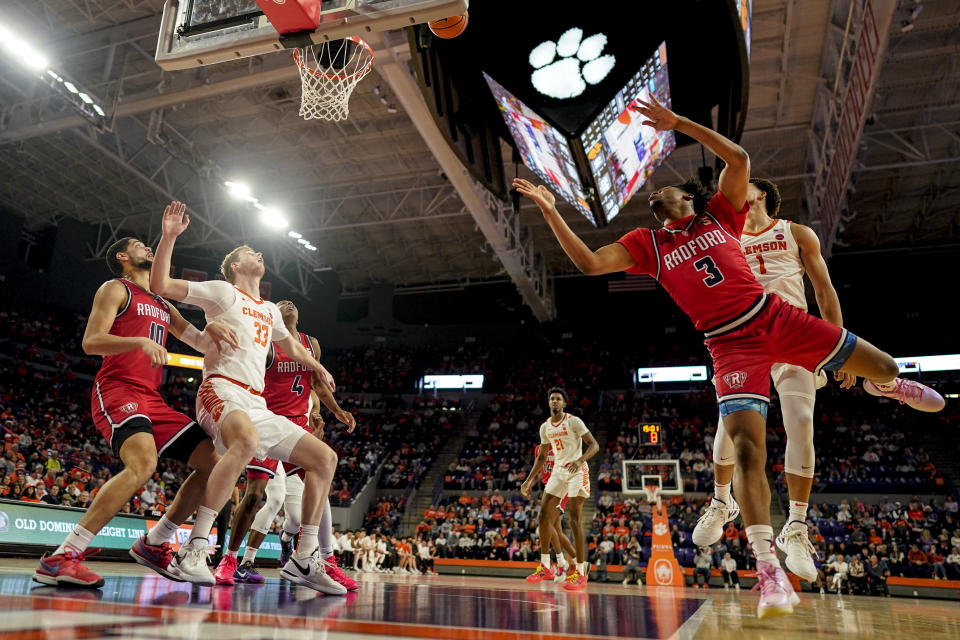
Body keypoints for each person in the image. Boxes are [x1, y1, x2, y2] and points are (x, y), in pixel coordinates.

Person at [514, 96, 943, 618]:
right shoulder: (646, 243)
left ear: (689, 199)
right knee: (747, 449)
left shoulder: (721, 213)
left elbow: (738, 159)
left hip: (775, 318)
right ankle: (767, 570)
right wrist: (553, 212)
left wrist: (678, 125)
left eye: (664, 188)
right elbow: (587, 262)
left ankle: (883, 386)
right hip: (729, 344)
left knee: (887, 367)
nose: (655, 193)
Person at [150, 201, 353, 594]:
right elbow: (162, 287)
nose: (258, 254)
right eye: (249, 253)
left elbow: (291, 349)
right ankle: (194, 549)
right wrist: (170, 236)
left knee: (325, 458)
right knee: (245, 441)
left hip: (257, 402)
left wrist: (318, 367)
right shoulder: (223, 291)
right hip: (220, 388)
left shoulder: (271, 312)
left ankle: (305, 557)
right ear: (237, 267)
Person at [33, 235, 238, 589]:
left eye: (149, 244)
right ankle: (63, 556)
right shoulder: (115, 289)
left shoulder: (162, 303)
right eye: (140, 245)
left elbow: (201, 343)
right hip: (117, 388)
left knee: (216, 464)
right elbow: (91, 341)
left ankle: (155, 541)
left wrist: (214, 328)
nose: (147, 247)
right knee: (143, 464)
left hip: (152, 398)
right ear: (123, 257)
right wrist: (139, 342)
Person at [695, 176, 857, 585]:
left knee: (800, 421)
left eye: (741, 186)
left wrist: (837, 347)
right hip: (744, 341)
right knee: (727, 431)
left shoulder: (796, 233)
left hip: (793, 335)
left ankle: (797, 528)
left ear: (761, 193)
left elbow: (824, 290)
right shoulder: (724, 238)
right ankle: (721, 501)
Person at [214, 299, 357, 592]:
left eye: (291, 302)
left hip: (297, 426)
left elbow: (317, 384)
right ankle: (230, 558)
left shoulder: (310, 343)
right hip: (265, 422)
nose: (288, 302)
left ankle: (325, 561)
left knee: (320, 485)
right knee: (255, 496)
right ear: (274, 315)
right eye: (280, 301)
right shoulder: (265, 341)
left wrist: (337, 410)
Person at [520, 387, 599, 592]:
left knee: (573, 520)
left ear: (564, 404)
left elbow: (594, 445)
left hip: (577, 470)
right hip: (558, 472)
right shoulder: (545, 427)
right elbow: (541, 457)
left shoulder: (573, 421)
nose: (555, 402)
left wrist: (580, 460)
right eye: (552, 399)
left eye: (558, 399)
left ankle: (580, 571)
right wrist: (528, 481)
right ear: (549, 403)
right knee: (543, 517)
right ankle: (546, 565)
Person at [521, 441, 579, 583]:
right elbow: (538, 471)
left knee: (546, 523)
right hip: (550, 489)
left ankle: (558, 563)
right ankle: (572, 564)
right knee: (556, 530)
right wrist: (529, 484)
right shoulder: (539, 449)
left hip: (563, 488)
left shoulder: (564, 446)